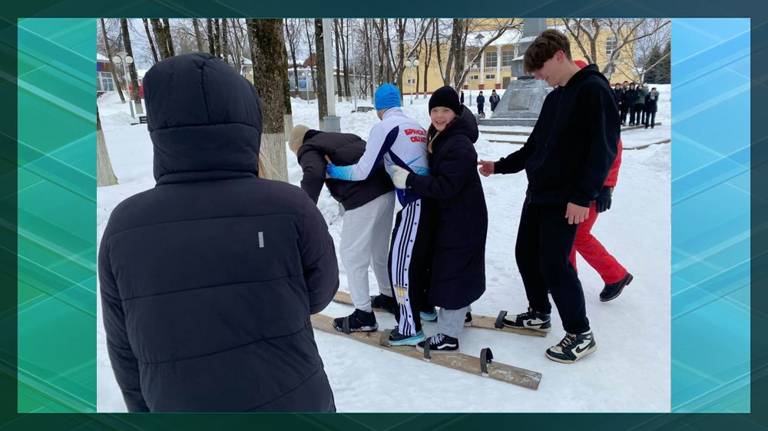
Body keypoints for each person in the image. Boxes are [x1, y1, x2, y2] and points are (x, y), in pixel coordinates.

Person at [99, 53, 339, 412]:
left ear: (161, 126)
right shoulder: (289, 206)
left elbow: (123, 345)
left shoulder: (124, 225)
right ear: (247, 120)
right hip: (293, 396)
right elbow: (321, 292)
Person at [477, 30, 619, 364]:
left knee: (555, 264)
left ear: (559, 56)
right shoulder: (556, 97)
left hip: (567, 198)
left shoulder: (593, 91)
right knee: (526, 254)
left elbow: (604, 149)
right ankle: (539, 312)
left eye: (541, 70)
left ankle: (581, 333)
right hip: (539, 194)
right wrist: (499, 166)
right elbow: (535, 147)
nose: (540, 77)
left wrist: (584, 197)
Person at [326, 83, 433, 346]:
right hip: (426, 198)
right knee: (383, 251)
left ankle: (367, 314)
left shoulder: (385, 127)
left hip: (415, 201)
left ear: (377, 107)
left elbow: (362, 171)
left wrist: (332, 171)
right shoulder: (416, 127)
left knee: (361, 255)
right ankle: (391, 297)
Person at [390, 86, 488, 353]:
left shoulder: (459, 144)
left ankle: (448, 334)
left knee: (453, 270)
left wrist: (410, 180)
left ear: (455, 112)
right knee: (459, 267)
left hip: (462, 217)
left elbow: (446, 186)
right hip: (458, 214)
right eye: (434, 110)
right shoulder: (442, 134)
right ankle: (461, 313)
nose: (439, 116)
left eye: (445, 110)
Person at [289, 126, 398, 331]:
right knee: (378, 251)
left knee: (352, 255)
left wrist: (303, 208)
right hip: (386, 191)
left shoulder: (308, 148)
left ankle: (363, 315)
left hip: (362, 198)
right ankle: (388, 297)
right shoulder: (344, 136)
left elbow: (313, 174)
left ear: (298, 145)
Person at [569, 61, 634, 303]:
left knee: (577, 236)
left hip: (592, 190)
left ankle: (614, 275)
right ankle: (568, 277)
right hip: (579, 187)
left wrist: (607, 187)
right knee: (571, 235)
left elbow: (612, 153)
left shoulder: (598, 107)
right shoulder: (577, 107)